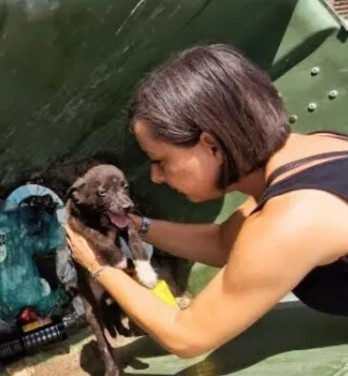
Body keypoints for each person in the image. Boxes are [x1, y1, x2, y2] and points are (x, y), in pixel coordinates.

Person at [64, 44, 348, 359]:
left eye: (160, 161)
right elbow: (224, 242)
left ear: (210, 144)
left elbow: (187, 336)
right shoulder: (314, 152)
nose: (157, 176)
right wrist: (135, 226)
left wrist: (97, 264)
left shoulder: (296, 217)